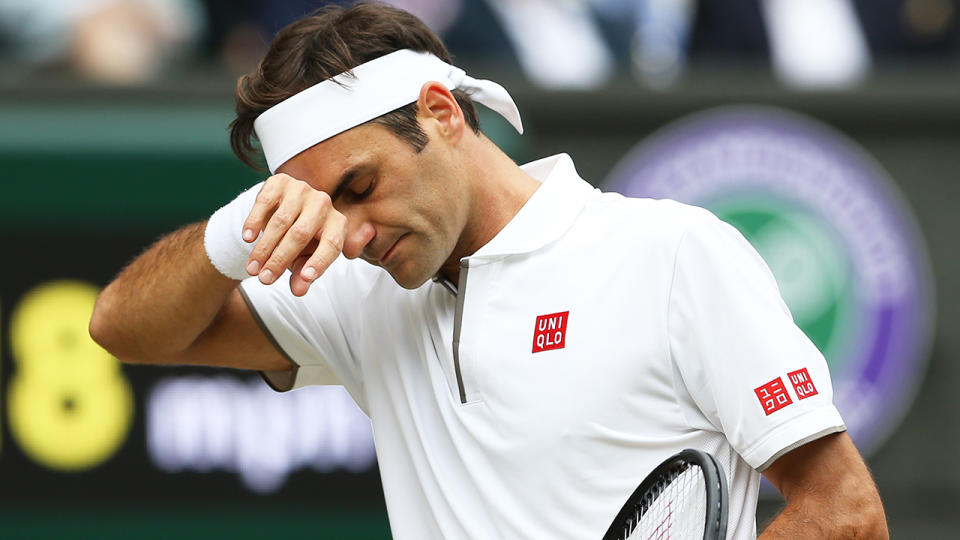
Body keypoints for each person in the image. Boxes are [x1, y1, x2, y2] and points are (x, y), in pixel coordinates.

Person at [89, 3, 887, 538]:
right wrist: (237, 233)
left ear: (442, 112)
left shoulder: (673, 253)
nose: (354, 234)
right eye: (327, 205)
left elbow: (845, 514)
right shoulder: (354, 293)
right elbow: (121, 328)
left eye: (360, 187)